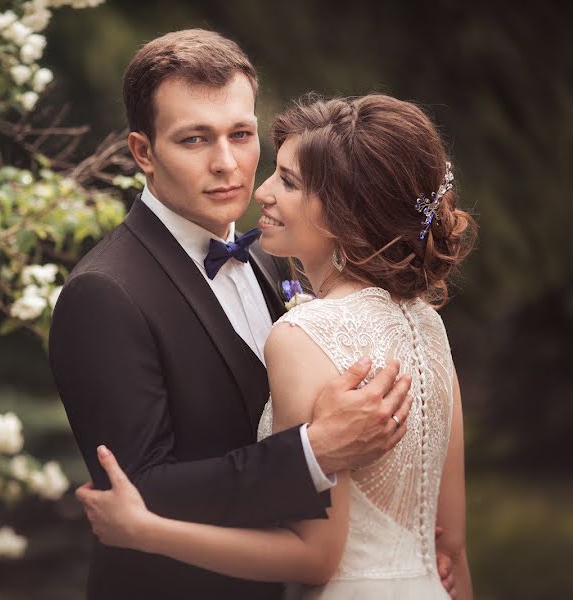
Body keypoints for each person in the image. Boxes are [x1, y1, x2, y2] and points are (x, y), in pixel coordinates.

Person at [49, 30, 425, 600]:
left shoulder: (274, 255)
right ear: (143, 151)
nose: (227, 164)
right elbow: (142, 490)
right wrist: (313, 451)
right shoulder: (103, 293)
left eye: (241, 134)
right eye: (194, 139)